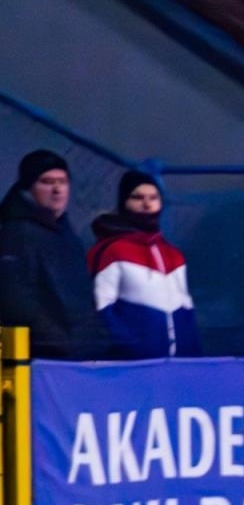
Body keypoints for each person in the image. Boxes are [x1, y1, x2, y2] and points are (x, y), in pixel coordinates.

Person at [0, 150, 103, 359]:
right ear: (28, 188)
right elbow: (16, 301)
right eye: (47, 182)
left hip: (81, 355)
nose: (57, 190)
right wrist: (60, 343)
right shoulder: (16, 233)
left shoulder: (68, 236)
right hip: (44, 360)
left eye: (63, 182)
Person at [87, 170, 200, 360]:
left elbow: (186, 306)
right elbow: (101, 306)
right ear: (124, 202)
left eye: (153, 198)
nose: (147, 204)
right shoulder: (112, 251)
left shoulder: (174, 255)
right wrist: (128, 347)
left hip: (179, 363)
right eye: (138, 197)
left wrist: (193, 355)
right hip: (131, 365)